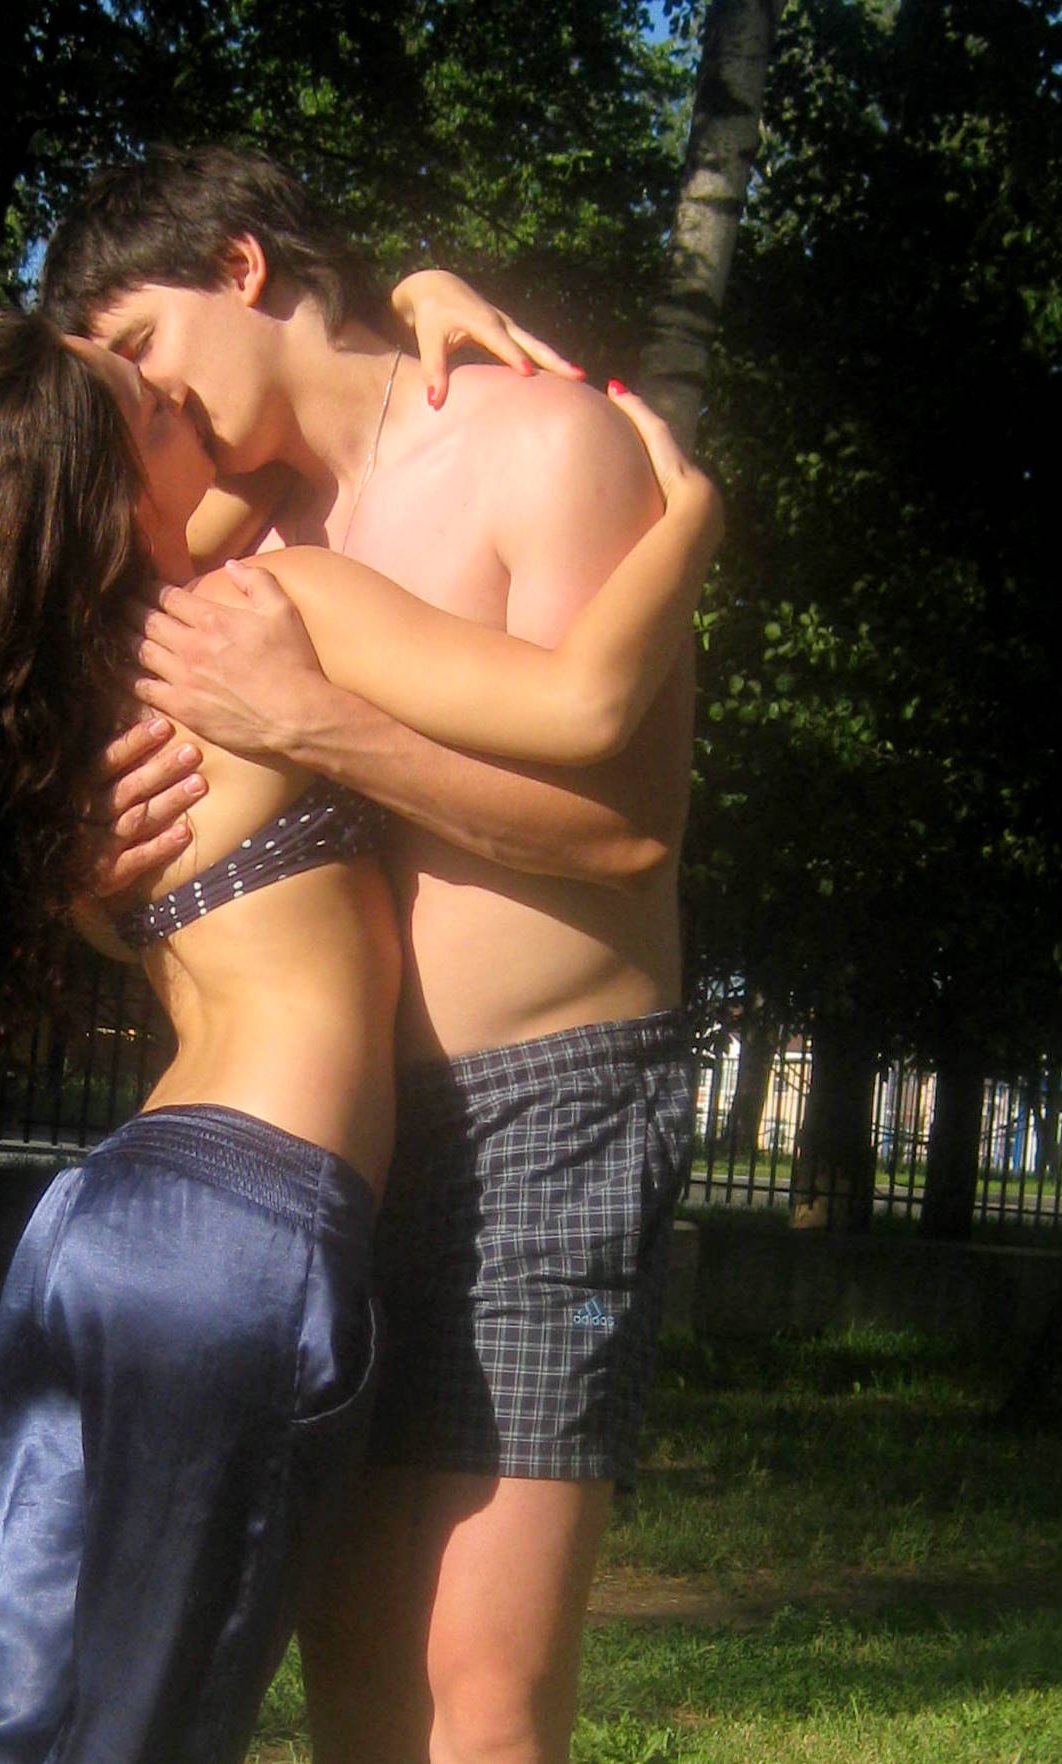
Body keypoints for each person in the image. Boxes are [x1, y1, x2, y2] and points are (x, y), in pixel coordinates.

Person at [0, 296, 718, 1761]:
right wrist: (698, 520)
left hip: (103, 1225)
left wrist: (407, 294)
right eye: (146, 405)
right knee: (146, 1729)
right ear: (107, 496)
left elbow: (300, 425)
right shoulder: (273, 615)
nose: (187, 412)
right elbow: (589, 704)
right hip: (242, 1241)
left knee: (25, 1714)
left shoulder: (59, 699)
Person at [44, 144, 707, 1764]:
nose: (149, 407)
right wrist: (84, 877)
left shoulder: (540, 441)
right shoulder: (243, 525)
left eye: (144, 348)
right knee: (352, 1691)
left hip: (544, 1109)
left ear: (243, 268)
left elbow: (623, 835)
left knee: (478, 1700)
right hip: (334, 1148)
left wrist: (318, 725)